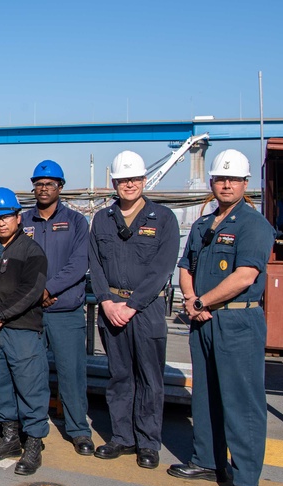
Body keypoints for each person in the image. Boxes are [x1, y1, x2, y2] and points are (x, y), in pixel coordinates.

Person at [170, 149, 275, 486]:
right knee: (207, 395)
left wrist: (201, 303)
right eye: (220, 179)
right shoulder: (203, 224)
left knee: (242, 401)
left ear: (246, 184)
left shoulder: (253, 225)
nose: (226, 184)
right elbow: (186, 266)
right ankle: (206, 460)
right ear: (212, 182)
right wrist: (189, 298)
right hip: (204, 321)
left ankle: (245, 480)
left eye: (233, 179)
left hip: (237, 320)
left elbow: (246, 276)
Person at [88, 150, 180, 469]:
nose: (129, 184)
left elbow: (162, 268)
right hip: (111, 307)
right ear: (114, 183)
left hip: (146, 309)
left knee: (150, 378)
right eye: (123, 179)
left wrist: (132, 305)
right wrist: (106, 300)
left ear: (144, 180)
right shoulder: (102, 219)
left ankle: (148, 442)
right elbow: (95, 265)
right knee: (120, 376)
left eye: (134, 179)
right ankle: (123, 437)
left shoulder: (163, 219)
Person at [0, 187, 50, 475]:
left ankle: (34, 443)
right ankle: (10, 437)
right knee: (0, 385)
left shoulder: (31, 251)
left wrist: (0, 314)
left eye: (7, 217)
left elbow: (32, 290)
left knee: (30, 386)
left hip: (22, 330)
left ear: (18, 217)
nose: (1, 222)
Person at [21, 160, 94, 455]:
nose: (43, 188)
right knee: (31, 373)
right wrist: (36, 293)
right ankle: (32, 430)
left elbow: (79, 264)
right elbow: (16, 262)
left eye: (50, 183)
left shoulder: (77, 222)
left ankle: (78, 430)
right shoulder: (23, 221)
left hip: (65, 311)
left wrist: (49, 289)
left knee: (72, 373)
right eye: (38, 184)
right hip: (31, 312)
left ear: (60, 187)